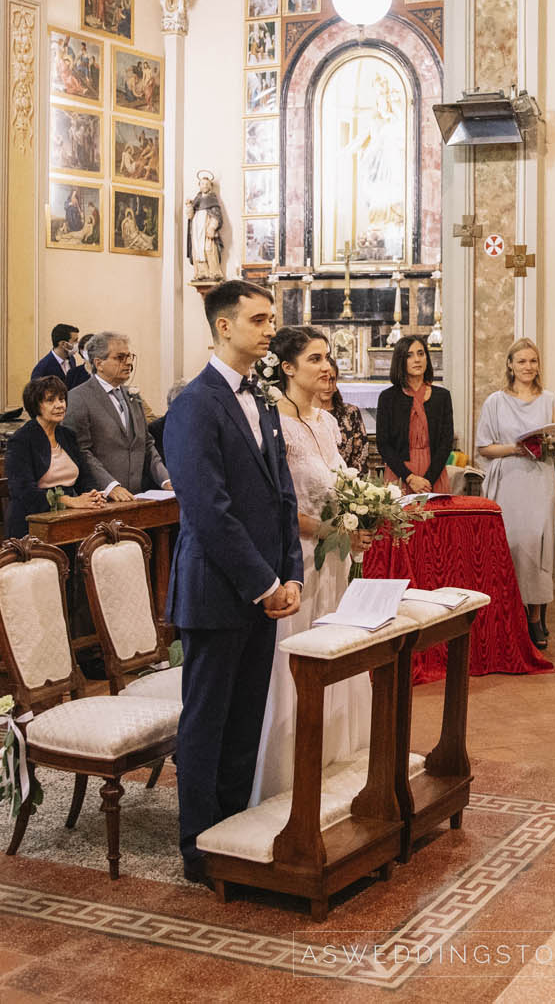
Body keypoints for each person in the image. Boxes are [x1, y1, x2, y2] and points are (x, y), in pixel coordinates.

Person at [161, 279, 301, 884]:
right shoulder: (195, 404)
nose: (271, 329)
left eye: (272, 319)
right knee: (208, 717)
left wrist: (290, 571)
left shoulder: (263, 399)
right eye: (259, 320)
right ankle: (199, 844)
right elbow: (209, 509)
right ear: (223, 326)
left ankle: (235, 828)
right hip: (217, 588)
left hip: (262, 586)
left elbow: (282, 494)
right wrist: (261, 581)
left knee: (247, 713)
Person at [249, 326, 370, 804]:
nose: (326, 366)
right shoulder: (271, 423)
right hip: (301, 559)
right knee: (300, 652)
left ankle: (337, 755)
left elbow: (338, 486)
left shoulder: (326, 422)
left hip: (335, 558)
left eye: (328, 358)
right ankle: (289, 768)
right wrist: (323, 530)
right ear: (288, 367)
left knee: (339, 646)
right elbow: (273, 503)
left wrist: (360, 515)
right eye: (315, 358)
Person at [478, 339, 555, 650]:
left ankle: (536, 617)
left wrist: (547, 443)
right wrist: (516, 447)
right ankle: (511, 616)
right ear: (510, 365)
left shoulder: (551, 399)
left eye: (533, 361)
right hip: (508, 480)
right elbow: (484, 447)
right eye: (522, 361)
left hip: (540, 480)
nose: (528, 367)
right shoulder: (495, 402)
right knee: (512, 547)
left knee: (538, 546)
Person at [65, 331, 171, 501]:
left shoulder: (133, 396)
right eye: (120, 357)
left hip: (136, 495)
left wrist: (165, 479)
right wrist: (110, 486)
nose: (128, 363)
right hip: (100, 499)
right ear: (99, 363)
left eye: (130, 356)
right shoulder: (79, 398)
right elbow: (81, 451)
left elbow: (147, 443)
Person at [4, 376, 106, 538]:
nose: (60, 405)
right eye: (50, 401)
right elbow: (23, 492)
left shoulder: (67, 435)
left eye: (62, 399)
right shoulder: (21, 440)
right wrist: (71, 501)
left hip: (70, 517)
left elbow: (85, 478)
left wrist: (93, 495)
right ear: (36, 405)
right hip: (32, 521)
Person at [376, 335, 454, 495]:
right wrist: (410, 478)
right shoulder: (388, 398)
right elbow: (383, 444)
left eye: (421, 353)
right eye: (409, 355)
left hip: (434, 472)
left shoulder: (442, 396)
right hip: (400, 474)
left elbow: (446, 442)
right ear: (400, 360)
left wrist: (428, 480)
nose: (417, 360)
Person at [325, 384, 369, 475]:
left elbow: (361, 454)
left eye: (331, 380)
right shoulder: (301, 414)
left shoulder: (350, 412)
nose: (326, 385)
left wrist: (351, 482)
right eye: (321, 380)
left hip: (347, 480)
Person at [31, 324, 91, 390]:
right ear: (63, 344)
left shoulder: (71, 360)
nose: (78, 344)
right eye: (75, 341)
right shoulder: (42, 368)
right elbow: (35, 394)